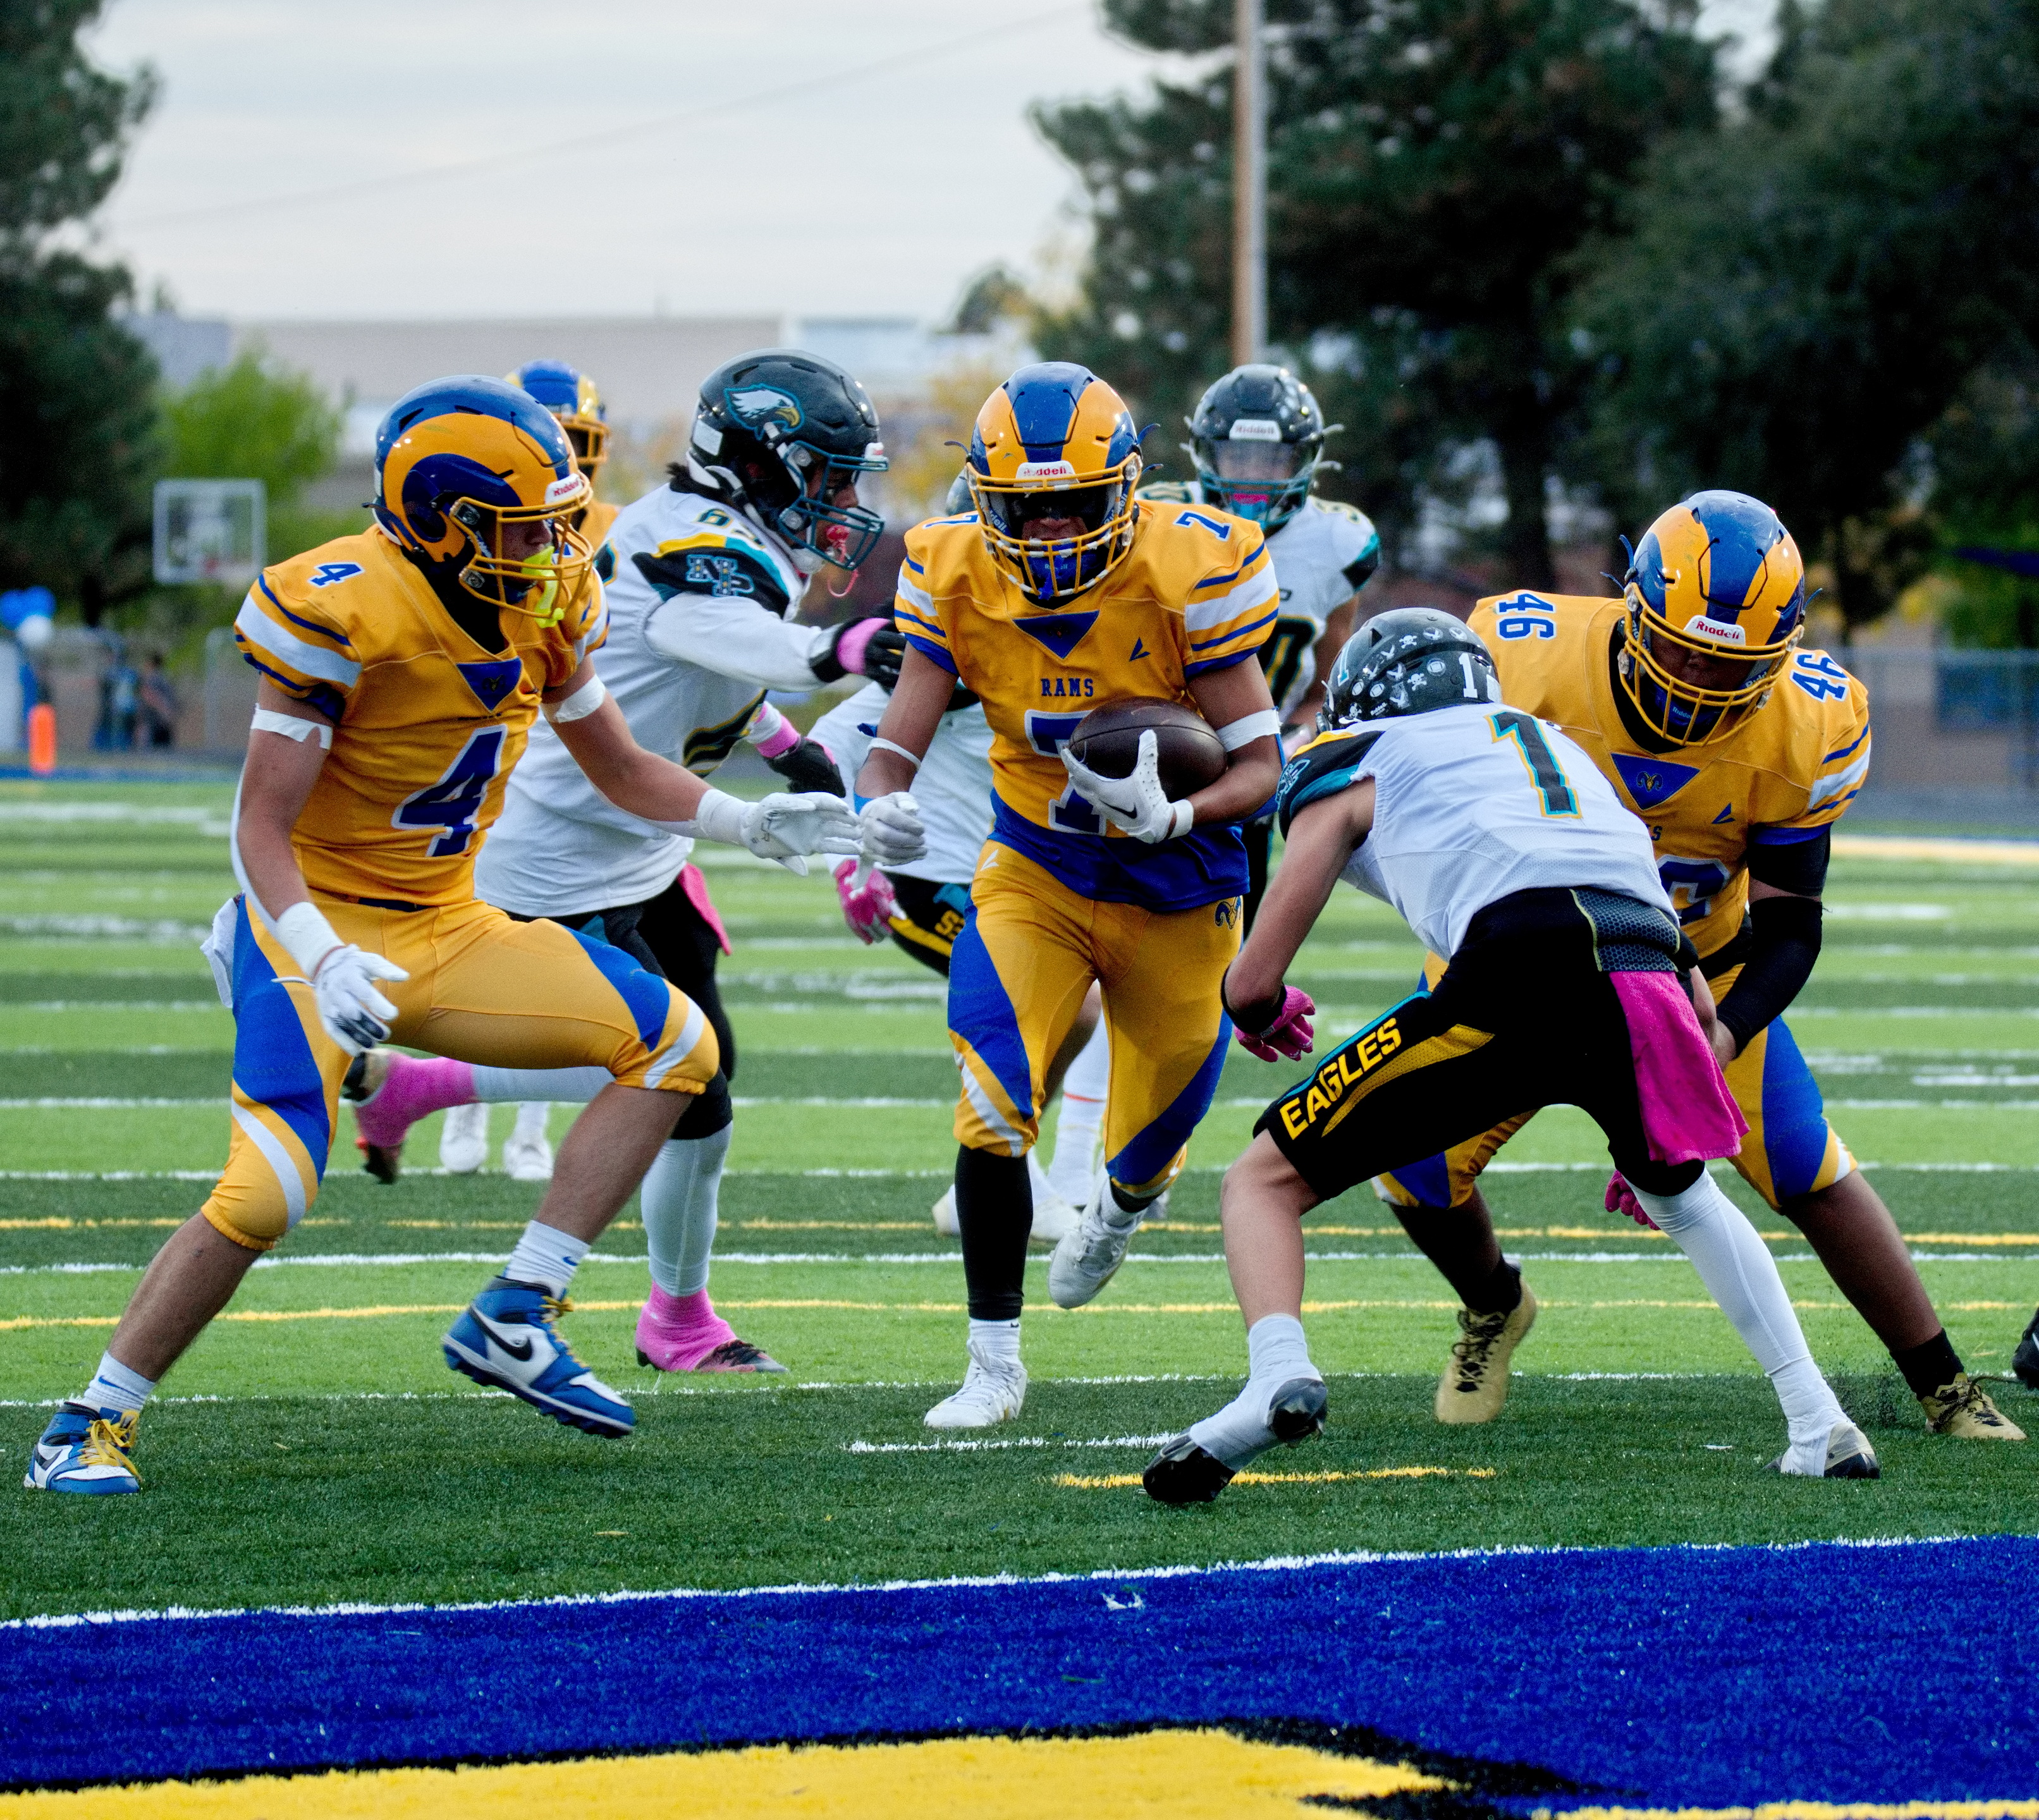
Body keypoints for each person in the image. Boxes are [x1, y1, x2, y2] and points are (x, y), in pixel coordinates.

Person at [23, 375, 866, 1494]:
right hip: (308, 928)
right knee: (268, 1193)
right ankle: (87, 1418)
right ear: (445, 523)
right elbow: (259, 822)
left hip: (448, 920)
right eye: (527, 526)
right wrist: (319, 952)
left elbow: (618, 764)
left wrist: (747, 819)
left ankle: (518, 1308)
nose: (560, 543)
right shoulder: (342, 606)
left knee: (678, 1045)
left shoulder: (547, 599)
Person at [1144, 608, 1880, 1506]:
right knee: (1683, 1196)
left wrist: (1260, 1005)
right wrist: (1663, 1098)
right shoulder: (1565, 756)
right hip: (1645, 966)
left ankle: (1274, 1375)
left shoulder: (1356, 754)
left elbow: (1253, 978)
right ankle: (1817, 1419)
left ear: (1367, 696)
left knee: (1262, 1178)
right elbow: (1686, 977)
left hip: (1517, 961)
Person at [1371, 492, 2022, 1442]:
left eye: (1729, 663)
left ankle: (1944, 1384)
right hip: (1517, 964)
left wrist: (1719, 1033)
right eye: (1678, 647)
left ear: (1782, 653)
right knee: (1408, 1160)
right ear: (1632, 607)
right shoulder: (1524, 655)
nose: (1694, 677)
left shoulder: (1809, 721)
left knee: (1809, 1169)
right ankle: (1493, 1304)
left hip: (1694, 976)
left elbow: (1793, 922)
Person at [340, 350, 912, 1379]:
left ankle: (675, 1312)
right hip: (558, 856)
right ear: (761, 463)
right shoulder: (694, 544)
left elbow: (706, 664)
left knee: (703, 1070)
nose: (846, 499)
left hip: (642, 848)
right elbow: (710, 628)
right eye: (828, 473)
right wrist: (840, 651)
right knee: (672, 1068)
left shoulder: (721, 535)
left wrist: (793, 749)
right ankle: (426, 1097)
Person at [857, 360, 1284, 1430]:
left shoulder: (1193, 565)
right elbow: (892, 746)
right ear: (985, 502)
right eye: (1023, 508)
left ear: (1126, 491)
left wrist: (1179, 815)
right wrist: (883, 806)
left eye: (1072, 504)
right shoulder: (949, 569)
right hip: (1034, 872)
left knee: (1149, 1147)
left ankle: (1123, 1206)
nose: (1047, 530)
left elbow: (1261, 763)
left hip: (1181, 890)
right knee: (993, 1100)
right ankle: (992, 1362)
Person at [1044, 364, 1380, 1202]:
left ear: (1306, 460)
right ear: (1200, 452)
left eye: (1270, 461)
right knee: (1104, 966)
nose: (1252, 478)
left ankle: (1137, 1154)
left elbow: (1328, 662)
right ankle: (1070, 1162)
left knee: (1215, 982)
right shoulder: (1157, 523)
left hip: (1251, 778)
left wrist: (1298, 732)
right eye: (1234, 456)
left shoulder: (1341, 544)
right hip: (1150, 764)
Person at [810, 472, 1093, 1247]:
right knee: (1049, 1009)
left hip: (1011, 877)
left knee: (1073, 1007)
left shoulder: (1049, 639)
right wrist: (853, 860)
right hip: (927, 882)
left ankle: (996, 1159)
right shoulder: (928, 656)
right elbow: (823, 753)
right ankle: (1005, 1164)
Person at [439, 360, 623, 1177]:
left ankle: (523, 1130)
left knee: (554, 948)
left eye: (578, 448)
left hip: (570, 757)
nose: (568, 475)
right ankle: (457, 1113)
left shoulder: (609, 538)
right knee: (479, 936)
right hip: (488, 759)